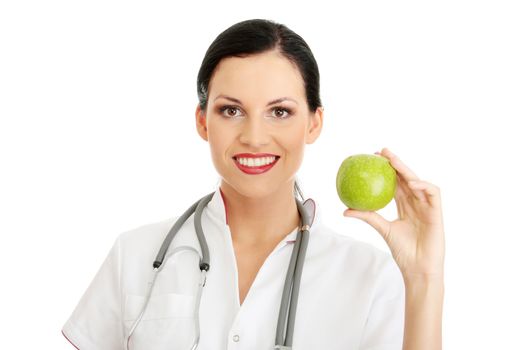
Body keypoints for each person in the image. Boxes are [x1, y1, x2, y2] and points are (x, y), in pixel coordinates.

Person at [62, 19, 445, 350]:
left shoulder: (371, 276)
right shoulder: (135, 254)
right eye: (232, 110)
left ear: (314, 123)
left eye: (280, 112)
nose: (255, 137)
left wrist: (423, 277)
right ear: (202, 121)